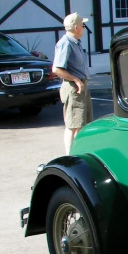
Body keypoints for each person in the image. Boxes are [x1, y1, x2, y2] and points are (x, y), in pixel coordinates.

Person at [53, 12, 91, 154]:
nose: (83, 27)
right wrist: (75, 80)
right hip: (73, 88)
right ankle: (71, 155)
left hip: (80, 86)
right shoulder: (66, 43)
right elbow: (57, 69)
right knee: (73, 124)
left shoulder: (75, 42)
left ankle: (79, 151)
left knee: (81, 123)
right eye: (82, 25)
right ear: (76, 27)